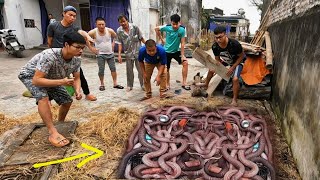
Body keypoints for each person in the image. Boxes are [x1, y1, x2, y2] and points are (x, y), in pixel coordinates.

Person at [18, 32, 85, 147]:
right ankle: (52, 132)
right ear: (66, 45)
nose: (81, 51)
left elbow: (77, 78)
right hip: (31, 76)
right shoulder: (50, 56)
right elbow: (36, 80)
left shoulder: (76, 60)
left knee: (67, 100)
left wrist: (78, 91)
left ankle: (60, 124)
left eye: (82, 48)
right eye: (77, 47)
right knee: (43, 98)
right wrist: (62, 82)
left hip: (52, 78)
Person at [47, 5, 97, 101]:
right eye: (70, 15)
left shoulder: (74, 27)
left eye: (74, 16)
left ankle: (87, 93)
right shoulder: (53, 26)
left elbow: (82, 32)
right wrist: (52, 53)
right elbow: (49, 41)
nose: (73, 18)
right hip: (56, 56)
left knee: (79, 75)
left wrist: (89, 37)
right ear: (64, 14)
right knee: (52, 78)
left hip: (70, 56)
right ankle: (48, 99)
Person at [204, 25, 246, 106]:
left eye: (220, 37)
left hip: (237, 62)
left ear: (225, 34)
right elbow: (217, 59)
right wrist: (219, 68)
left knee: (235, 78)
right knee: (211, 69)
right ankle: (206, 85)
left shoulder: (234, 44)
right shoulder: (215, 46)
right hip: (227, 61)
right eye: (216, 38)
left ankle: (234, 99)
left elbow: (242, 56)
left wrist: (233, 67)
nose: (218, 40)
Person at [155, 14, 190, 91]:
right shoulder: (167, 27)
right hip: (166, 52)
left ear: (179, 23)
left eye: (176, 24)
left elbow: (183, 43)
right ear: (171, 23)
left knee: (185, 63)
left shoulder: (182, 29)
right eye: (173, 24)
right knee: (166, 68)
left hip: (176, 51)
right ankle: (167, 84)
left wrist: (183, 55)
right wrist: (161, 39)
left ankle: (184, 83)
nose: (174, 26)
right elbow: (156, 29)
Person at [88, 17, 124, 91]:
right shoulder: (93, 32)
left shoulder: (109, 30)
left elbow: (117, 37)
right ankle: (102, 84)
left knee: (113, 69)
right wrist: (91, 47)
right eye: (99, 24)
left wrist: (113, 43)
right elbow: (85, 38)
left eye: (102, 24)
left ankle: (115, 83)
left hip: (110, 53)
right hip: (100, 54)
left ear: (105, 24)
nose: (101, 26)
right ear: (96, 24)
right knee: (101, 70)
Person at [115, 14, 145, 92]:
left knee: (141, 70)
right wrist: (119, 55)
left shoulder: (135, 27)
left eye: (124, 21)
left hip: (138, 53)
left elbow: (141, 38)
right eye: (121, 22)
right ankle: (129, 85)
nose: (123, 23)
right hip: (128, 53)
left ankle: (143, 84)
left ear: (127, 20)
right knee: (129, 71)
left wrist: (148, 47)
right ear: (119, 23)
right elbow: (119, 43)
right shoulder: (119, 31)